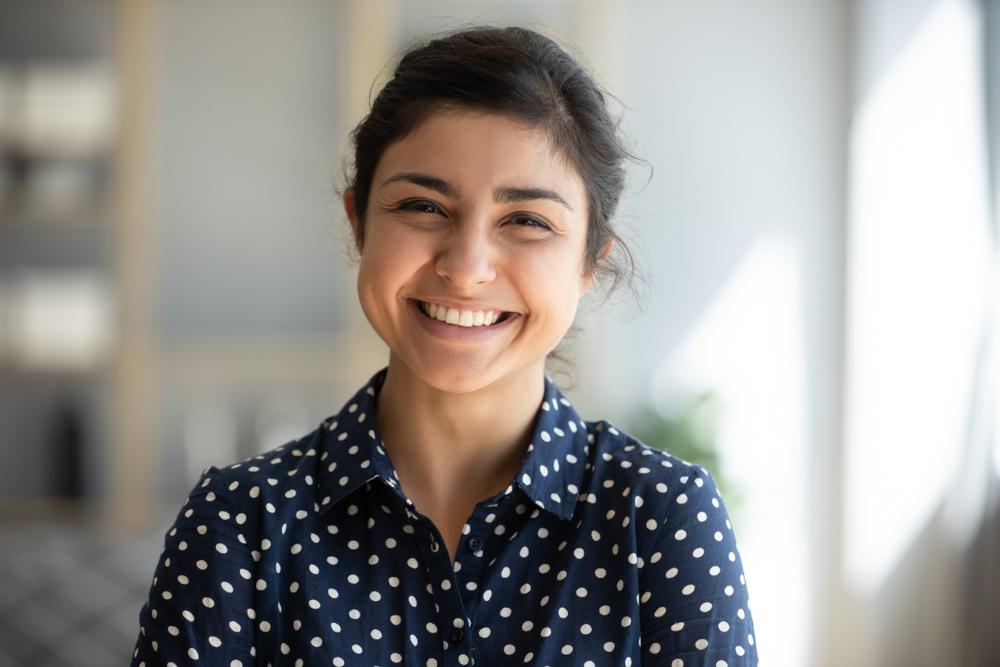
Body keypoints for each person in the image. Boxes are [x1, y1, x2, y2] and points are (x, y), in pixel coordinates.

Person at [130, 25, 758, 666]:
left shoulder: (662, 518)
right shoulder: (240, 523)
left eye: (527, 221)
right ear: (359, 221)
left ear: (590, 263)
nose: (466, 266)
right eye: (424, 206)